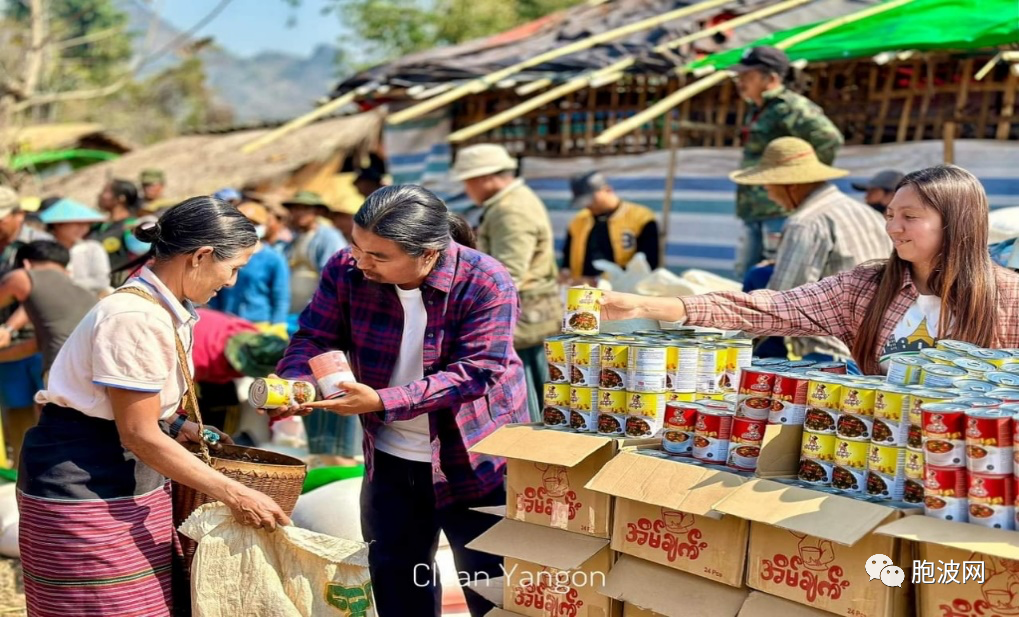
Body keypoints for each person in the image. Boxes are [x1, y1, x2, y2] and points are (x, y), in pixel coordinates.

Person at [18, 197, 289, 617]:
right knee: (102, 606)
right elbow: (138, 432)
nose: (232, 282)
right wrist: (235, 493)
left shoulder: (167, 309)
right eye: (232, 268)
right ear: (200, 256)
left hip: (124, 476)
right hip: (86, 483)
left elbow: (138, 411)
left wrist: (182, 423)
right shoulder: (134, 317)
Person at [272, 185, 528, 617]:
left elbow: (477, 372)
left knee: (493, 586)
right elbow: (316, 335)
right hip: (390, 459)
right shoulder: (346, 269)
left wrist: (381, 400)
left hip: (476, 458)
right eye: (356, 247)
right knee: (397, 581)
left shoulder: (487, 281)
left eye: (378, 256)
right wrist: (297, 382)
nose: (361, 262)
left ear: (428, 254)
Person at [598, 165, 1019, 375]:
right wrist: (644, 305)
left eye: (910, 217)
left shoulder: (1008, 297)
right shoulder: (866, 287)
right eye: (890, 214)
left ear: (957, 221)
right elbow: (766, 309)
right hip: (879, 452)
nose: (892, 227)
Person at [730, 137, 890, 367]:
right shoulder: (866, 213)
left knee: (763, 293)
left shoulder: (805, 222)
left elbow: (780, 303)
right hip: (878, 347)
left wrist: (734, 345)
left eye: (768, 188)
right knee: (760, 274)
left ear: (790, 185)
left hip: (833, 355)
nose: (770, 196)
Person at [452, 144, 560, 422]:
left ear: (484, 178)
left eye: (467, 181)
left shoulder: (510, 210)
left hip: (526, 323)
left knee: (527, 402)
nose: (467, 189)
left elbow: (507, 274)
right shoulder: (510, 204)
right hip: (530, 316)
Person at [732, 46, 843, 277]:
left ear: (770, 78)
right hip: (756, 206)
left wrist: (804, 179)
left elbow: (829, 138)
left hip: (780, 206)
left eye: (747, 76)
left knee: (777, 276)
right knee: (748, 276)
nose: (740, 81)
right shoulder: (758, 108)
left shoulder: (791, 107)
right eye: (739, 76)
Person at [0, 187, 49, 467]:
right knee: (15, 408)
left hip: (38, 341)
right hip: (6, 350)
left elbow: (39, 294)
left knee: (48, 410)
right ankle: (22, 469)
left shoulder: (38, 245)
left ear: (18, 215)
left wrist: (8, 327)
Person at [562, 170, 659, 283]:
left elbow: (648, 263)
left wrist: (599, 280)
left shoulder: (641, 217)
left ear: (607, 190)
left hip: (624, 292)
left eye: (591, 199)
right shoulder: (578, 220)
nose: (588, 205)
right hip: (582, 291)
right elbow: (567, 257)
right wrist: (565, 273)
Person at [207, 201, 290, 333]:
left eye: (255, 223)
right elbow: (216, 291)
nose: (250, 227)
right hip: (227, 322)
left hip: (259, 325)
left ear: (265, 226)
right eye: (244, 223)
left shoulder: (274, 259)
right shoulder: (223, 255)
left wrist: (278, 326)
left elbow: (280, 297)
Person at [283, 190, 347, 313]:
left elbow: (333, 274)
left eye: (305, 208)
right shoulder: (295, 237)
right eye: (296, 209)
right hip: (292, 305)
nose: (300, 213)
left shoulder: (329, 237)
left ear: (318, 211)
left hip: (318, 307)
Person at [39, 198, 112, 295]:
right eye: (78, 223)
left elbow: (102, 281)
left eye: (86, 224)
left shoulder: (93, 249)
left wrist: (66, 283)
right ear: (58, 224)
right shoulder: (43, 250)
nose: (83, 228)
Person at [91, 178, 151, 284]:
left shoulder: (132, 226)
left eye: (106, 192)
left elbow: (142, 254)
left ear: (121, 198)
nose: (100, 195)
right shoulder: (97, 226)